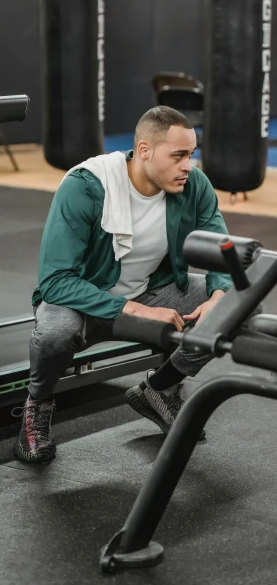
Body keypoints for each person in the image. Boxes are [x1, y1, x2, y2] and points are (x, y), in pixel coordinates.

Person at [15, 106, 233, 464]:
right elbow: (55, 282)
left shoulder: (193, 185)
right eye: (177, 156)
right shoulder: (86, 186)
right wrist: (135, 309)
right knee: (55, 332)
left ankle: (159, 389)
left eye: (191, 155)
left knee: (239, 308)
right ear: (144, 150)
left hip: (150, 289)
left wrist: (219, 295)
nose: (187, 166)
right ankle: (37, 406)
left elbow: (219, 249)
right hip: (81, 300)